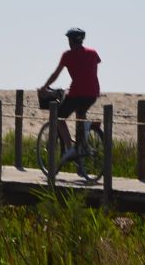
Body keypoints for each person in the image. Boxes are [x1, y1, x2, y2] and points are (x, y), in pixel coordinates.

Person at [39, 27, 101, 164]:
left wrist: (44, 87)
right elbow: (90, 74)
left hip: (77, 92)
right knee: (81, 114)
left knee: (59, 118)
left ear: (70, 40)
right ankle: (84, 139)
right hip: (93, 92)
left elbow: (56, 74)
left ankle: (69, 148)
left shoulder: (67, 55)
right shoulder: (93, 53)